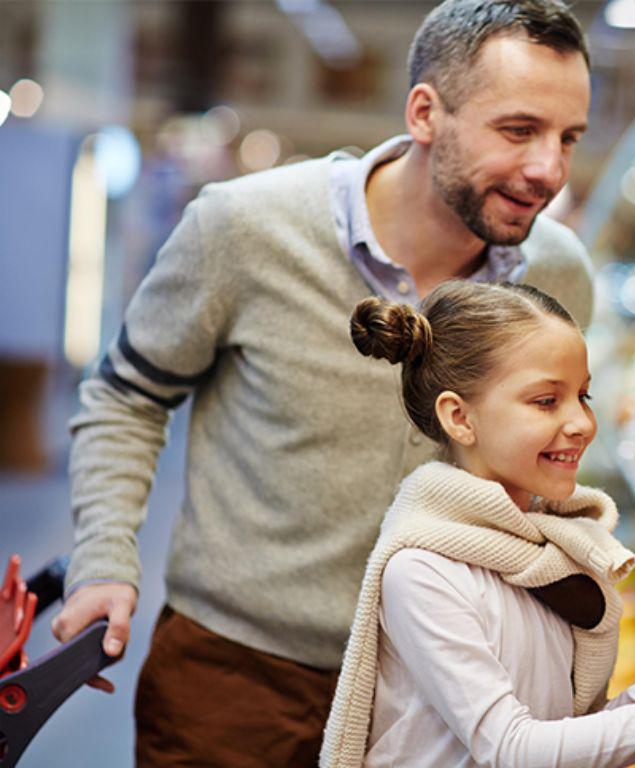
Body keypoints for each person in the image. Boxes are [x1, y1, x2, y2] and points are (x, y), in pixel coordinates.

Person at [52, 1, 595, 764]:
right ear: (425, 113)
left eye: (569, 137)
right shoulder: (245, 229)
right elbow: (128, 395)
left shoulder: (560, 274)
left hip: (441, 684)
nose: (550, 169)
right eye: (518, 131)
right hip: (237, 679)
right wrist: (103, 558)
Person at [321, 280, 635, 768]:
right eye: (546, 401)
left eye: (584, 395)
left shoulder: (543, 552)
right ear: (459, 418)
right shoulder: (423, 571)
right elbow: (513, 750)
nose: (582, 423)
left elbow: (564, 740)